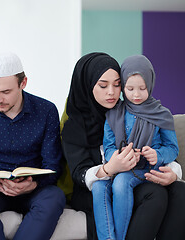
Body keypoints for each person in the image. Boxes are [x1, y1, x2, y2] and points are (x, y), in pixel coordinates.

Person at [58, 52, 185, 240]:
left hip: (137, 174)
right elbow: (80, 173)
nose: (111, 92)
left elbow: (164, 146)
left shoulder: (133, 111)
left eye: (117, 84)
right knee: (155, 195)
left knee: (180, 191)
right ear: (87, 85)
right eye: (103, 85)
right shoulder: (74, 124)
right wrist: (110, 168)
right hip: (95, 186)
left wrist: (173, 172)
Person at [0, 52, 66, 240]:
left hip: (35, 189)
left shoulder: (47, 111)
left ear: (23, 83)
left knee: (55, 197)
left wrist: (33, 184)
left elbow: (52, 165)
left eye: (5, 92)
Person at [92, 54, 179, 240]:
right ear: (123, 87)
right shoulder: (114, 114)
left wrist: (158, 154)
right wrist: (117, 156)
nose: (136, 94)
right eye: (130, 88)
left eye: (142, 88)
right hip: (124, 168)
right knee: (110, 185)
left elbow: (172, 148)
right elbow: (108, 146)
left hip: (149, 170)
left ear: (151, 84)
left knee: (121, 182)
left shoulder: (162, 114)